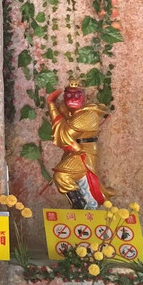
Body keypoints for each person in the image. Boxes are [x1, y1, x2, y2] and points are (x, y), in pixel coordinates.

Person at [47, 81, 112, 209]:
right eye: (68, 96)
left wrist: (52, 106)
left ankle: (80, 204)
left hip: (84, 153)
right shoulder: (71, 114)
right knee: (72, 180)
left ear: (84, 98)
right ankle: (80, 205)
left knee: (63, 176)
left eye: (77, 96)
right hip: (76, 152)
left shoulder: (88, 115)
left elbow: (65, 134)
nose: (72, 99)